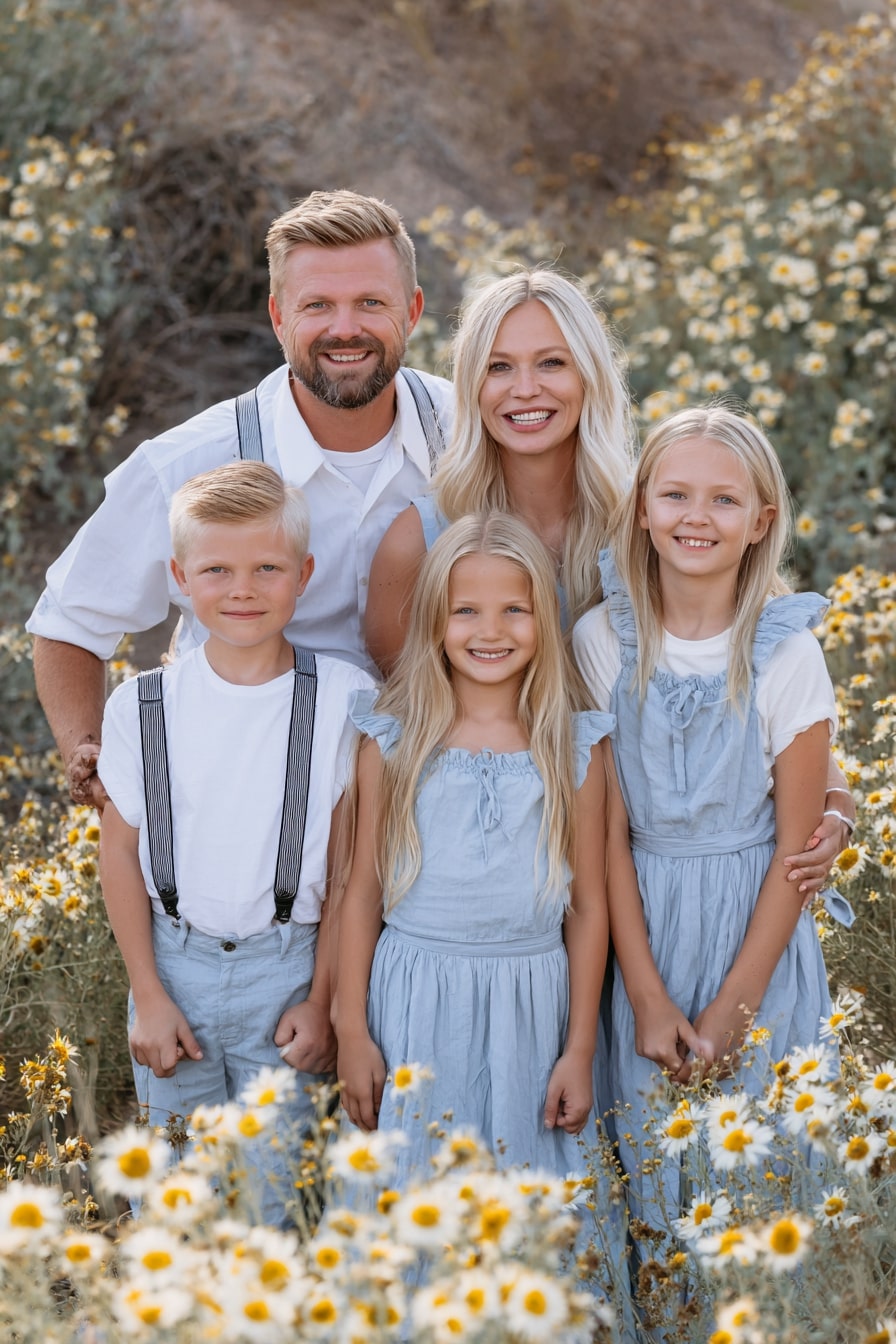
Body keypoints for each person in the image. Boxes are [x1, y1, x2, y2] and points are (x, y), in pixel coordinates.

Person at [28, 189, 452, 809]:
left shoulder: (471, 430)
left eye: (370, 302)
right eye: (317, 306)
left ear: (411, 310)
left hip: (437, 801)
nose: (344, 328)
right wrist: (89, 755)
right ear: (278, 317)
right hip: (244, 811)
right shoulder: (187, 463)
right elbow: (70, 619)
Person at [572, 405, 854, 1228]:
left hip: (757, 936)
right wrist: (647, 994)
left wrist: (739, 1004)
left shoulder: (788, 652)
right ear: (641, 508)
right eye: (676, 495)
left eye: (725, 501)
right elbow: (609, 839)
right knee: (656, 1184)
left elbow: (797, 853)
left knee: (766, 1182)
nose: (697, 517)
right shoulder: (603, 641)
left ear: (762, 520)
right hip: (640, 931)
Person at [97, 462, 374, 1224]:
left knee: (274, 1206)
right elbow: (119, 856)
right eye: (216, 569)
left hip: (288, 975)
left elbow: (351, 877)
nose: (242, 588)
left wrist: (322, 1003)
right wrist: (148, 998)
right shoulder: (143, 706)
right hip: (171, 968)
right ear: (181, 577)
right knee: (174, 1203)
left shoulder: (347, 700)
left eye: (267, 568)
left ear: (305, 574)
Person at [333, 511, 614, 1185]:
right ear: (434, 621)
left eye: (514, 609)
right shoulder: (395, 742)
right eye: (466, 611)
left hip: (532, 1005)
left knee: (529, 1193)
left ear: (546, 618)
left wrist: (578, 1050)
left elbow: (587, 909)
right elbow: (362, 893)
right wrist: (351, 1032)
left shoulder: (572, 747)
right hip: (413, 1002)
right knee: (417, 1189)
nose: (490, 631)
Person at [364, 267, 634, 672]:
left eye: (552, 362)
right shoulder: (416, 544)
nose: (525, 389)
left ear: (589, 376)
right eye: (499, 367)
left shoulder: (647, 525)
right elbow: (409, 717)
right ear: (472, 385)